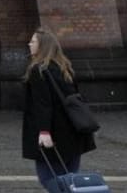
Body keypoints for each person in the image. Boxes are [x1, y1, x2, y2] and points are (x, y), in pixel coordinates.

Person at [23, 27, 96, 191]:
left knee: (48, 178)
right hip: (73, 130)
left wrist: (44, 131)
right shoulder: (65, 67)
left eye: (33, 41)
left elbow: (43, 104)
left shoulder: (38, 70)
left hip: (53, 132)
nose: (29, 44)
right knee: (69, 176)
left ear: (42, 46)